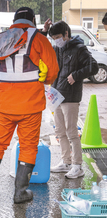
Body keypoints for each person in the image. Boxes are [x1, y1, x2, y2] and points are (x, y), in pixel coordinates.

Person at [0, 7, 59, 204]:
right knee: (28, 147)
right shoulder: (40, 39)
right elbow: (52, 72)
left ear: (14, 20)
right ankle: (20, 193)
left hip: (5, 104)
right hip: (31, 106)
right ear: (33, 20)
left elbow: (1, 73)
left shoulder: (1, 38)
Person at [48, 21, 98, 179]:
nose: (56, 40)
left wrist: (75, 76)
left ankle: (77, 165)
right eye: (53, 37)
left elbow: (93, 67)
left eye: (57, 37)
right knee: (59, 131)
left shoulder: (79, 49)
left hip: (71, 96)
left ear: (66, 34)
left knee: (71, 132)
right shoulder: (57, 49)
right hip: (57, 95)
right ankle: (66, 162)